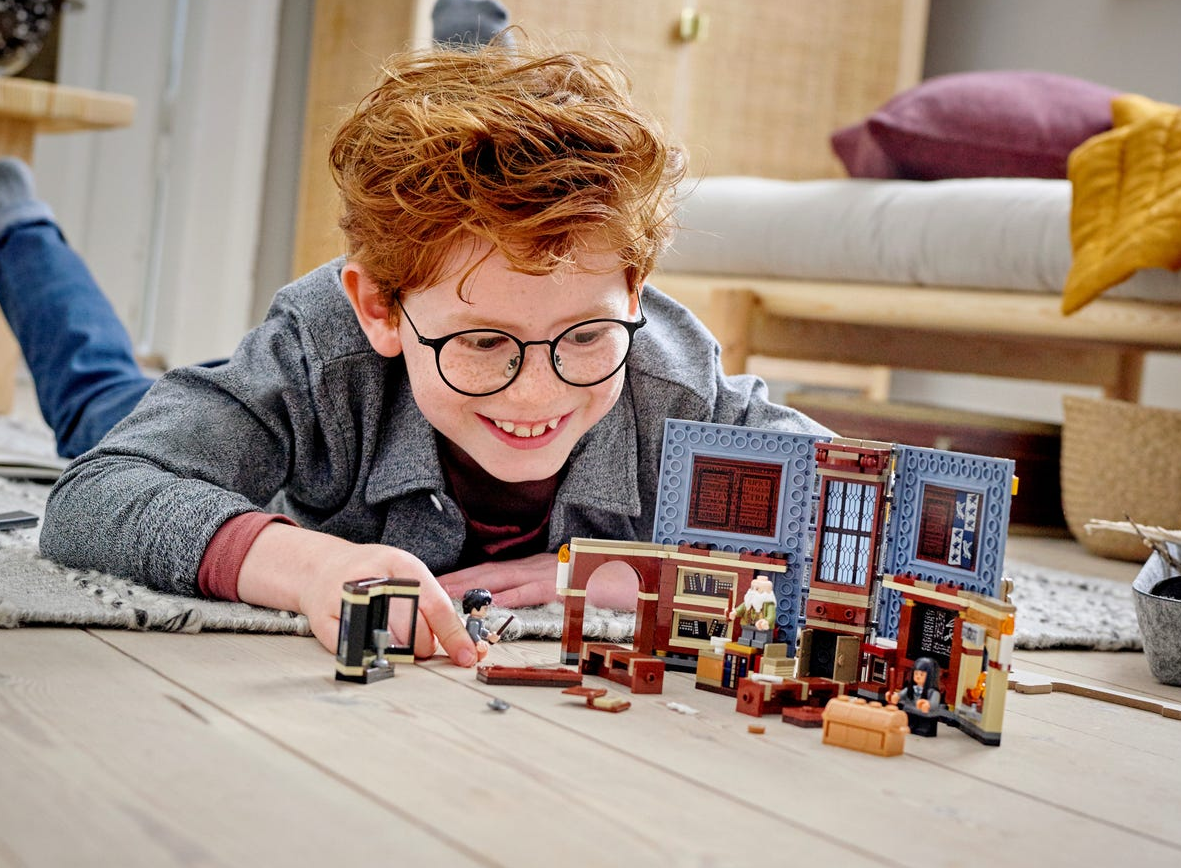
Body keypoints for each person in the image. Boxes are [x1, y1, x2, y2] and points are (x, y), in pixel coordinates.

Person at [14, 41, 828, 667]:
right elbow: (99, 496)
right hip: (244, 435)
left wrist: (626, 575)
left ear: (635, 290)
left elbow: (869, 522)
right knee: (104, 404)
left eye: (585, 336)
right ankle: (17, 223)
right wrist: (309, 565)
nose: (535, 394)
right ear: (380, 309)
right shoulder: (320, 354)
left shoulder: (674, 384)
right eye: (482, 342)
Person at [728, 574, 777, 649]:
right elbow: (741, 609)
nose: (753, 591)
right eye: (752, 588)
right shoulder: (748, 602)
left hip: (761, 627)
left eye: (757, 589)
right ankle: (745, 641)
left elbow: (771, 616)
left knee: (760, 640)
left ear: (766, 592)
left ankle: (760, 644)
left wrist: (766, 621)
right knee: (746, 637)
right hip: (748, 624)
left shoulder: (769, 604)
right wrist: (735, 612)